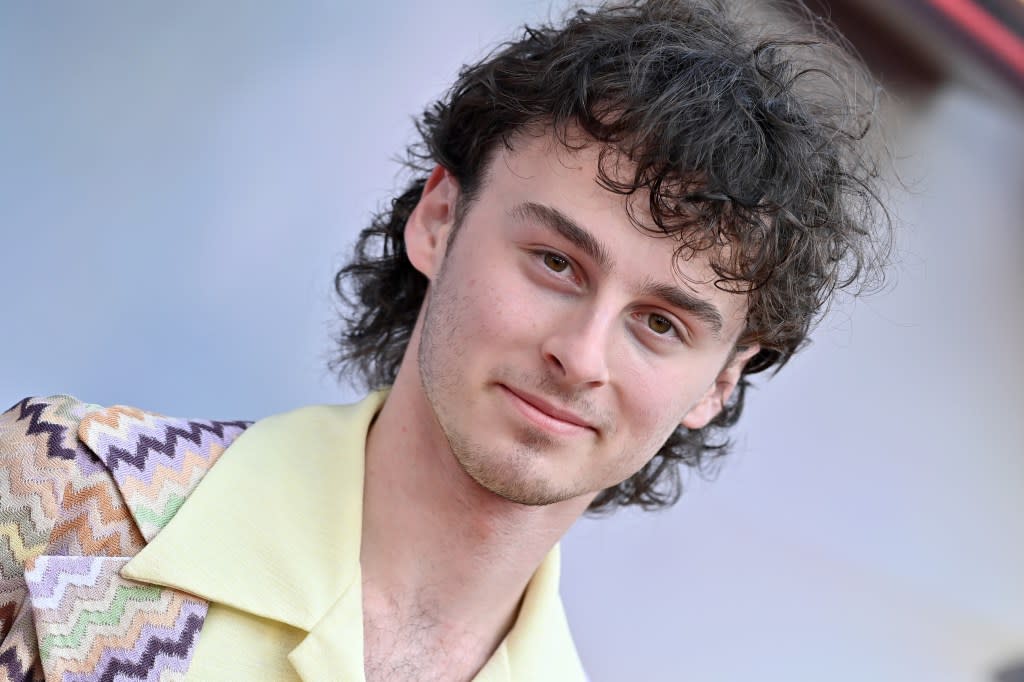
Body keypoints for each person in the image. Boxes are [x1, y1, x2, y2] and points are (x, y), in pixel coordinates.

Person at [0, 0, 889, 679]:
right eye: (555, 263)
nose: (580, 358)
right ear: (437, 219)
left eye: (660, 324)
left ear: (717, 386)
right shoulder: (60, 499)